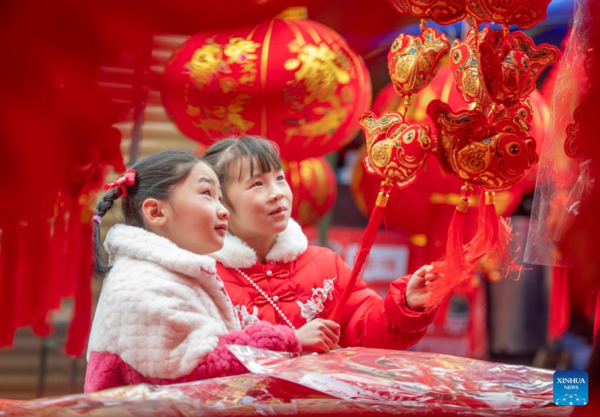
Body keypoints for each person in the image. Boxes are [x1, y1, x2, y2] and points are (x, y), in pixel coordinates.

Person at [84, 150, 300, 393]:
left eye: (220, 198)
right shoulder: (140, 281)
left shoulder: (170, 273)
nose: (223, 210)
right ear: (156, 212)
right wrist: (288, 340)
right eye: (207, 194)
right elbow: (194, 364)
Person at [203, 137, 440, 354]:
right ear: (220, 202)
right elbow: (200, 357)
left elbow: (366, 330)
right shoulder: (203, 278)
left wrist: (406, 304)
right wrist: (291, 340)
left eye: (279, 178)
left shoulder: (326, 265)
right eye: (257, 184)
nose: (277, 193)